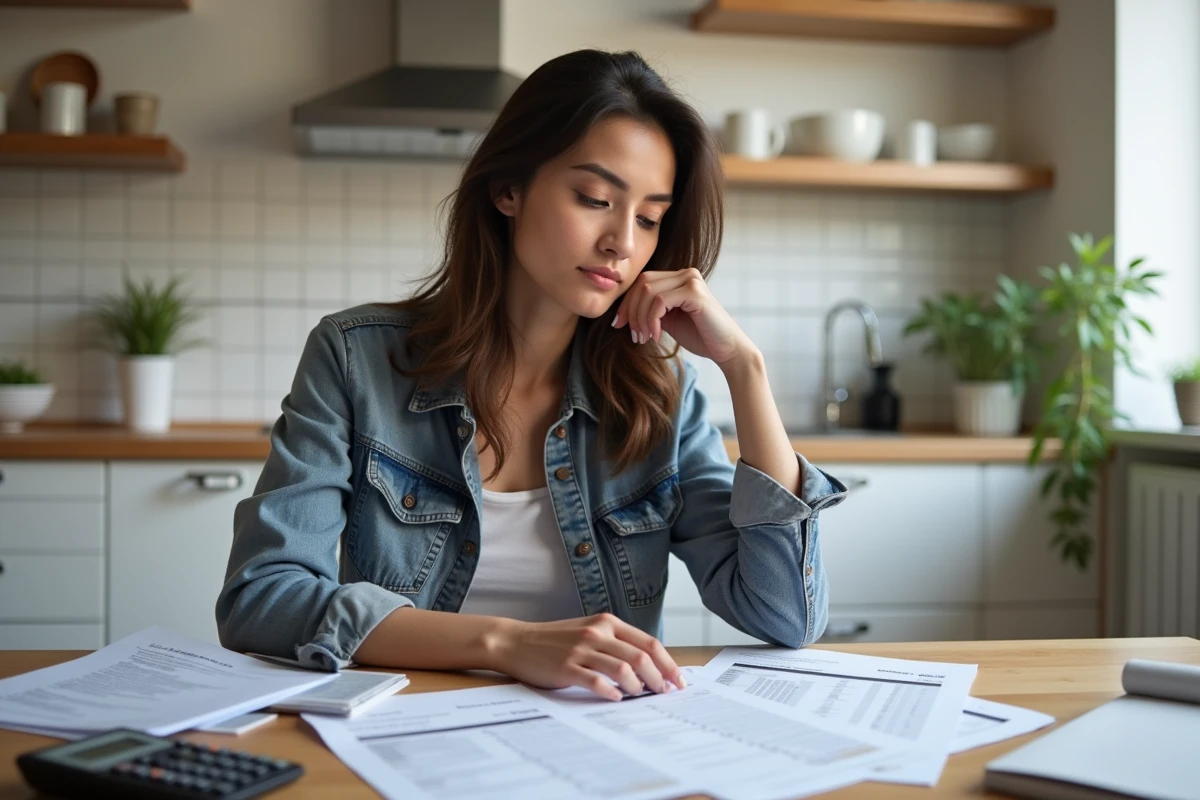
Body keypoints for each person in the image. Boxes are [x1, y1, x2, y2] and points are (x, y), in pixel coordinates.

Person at [216, 49, 847, 701]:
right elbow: (261, 598)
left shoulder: (659, 396)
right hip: (403, 721)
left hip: (600, 729)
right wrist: (507, 644)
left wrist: (744, 367)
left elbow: (786, 618)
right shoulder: (357, 359)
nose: (623, 242)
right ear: (508, 189)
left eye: (649, 218)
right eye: (595, 198)